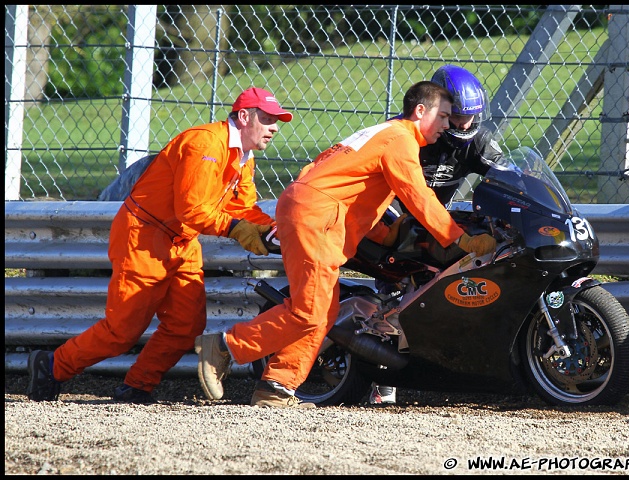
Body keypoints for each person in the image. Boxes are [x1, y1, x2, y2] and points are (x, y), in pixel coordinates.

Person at [194, 80, 497, 408]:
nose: (447, 125)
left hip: (313, 211)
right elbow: (418, 196)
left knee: (323, 312)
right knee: (310, 311)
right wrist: (461, 239)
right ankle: (224, 346)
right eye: (443, 116)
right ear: (420, 111)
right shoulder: (401, 140)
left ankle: (277, 387)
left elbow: (346, 181)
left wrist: (384, 234)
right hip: (317, 217)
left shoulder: (384, 133)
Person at [25, 87, 293, 404]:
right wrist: (239, 229)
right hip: (144, 235)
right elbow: (192, 210)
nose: (274, 127)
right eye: (267, 118)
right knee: (122, 331)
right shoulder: (205, 143)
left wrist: (271, 231)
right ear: (244, 116)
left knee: (187, 324)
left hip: (180, 239)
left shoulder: (242, 156)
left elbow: (243, 207)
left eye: (277, 120)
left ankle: (137, 386)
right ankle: (52, 366)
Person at [367, 64, 504, 405]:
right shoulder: (405, 136)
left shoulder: (477, 139)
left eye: (470, 117)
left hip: (433, 215)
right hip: (389, 215)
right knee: (402, 274)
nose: (463, 125)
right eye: (455, 117)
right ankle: (382, 376)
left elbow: (508, 176)